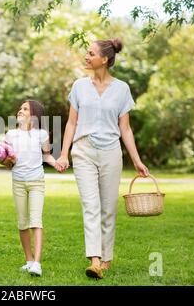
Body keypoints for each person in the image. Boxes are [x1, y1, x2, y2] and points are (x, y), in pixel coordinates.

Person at [56, 38, 149, 279]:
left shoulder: (122, 89)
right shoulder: (79, 86)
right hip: (83, 151)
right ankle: (94, 260)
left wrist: (137, 160)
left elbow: (125, 129)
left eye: (90, 53)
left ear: (104, 59)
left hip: (110, 152)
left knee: (108, 208)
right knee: (91, 205)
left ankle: (106, 258)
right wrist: (64, 153)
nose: (86, 57)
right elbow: (72, 123)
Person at [1, 100, 62, 277]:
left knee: (36, 221)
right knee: (22, 223)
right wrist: (6, 160)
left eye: (25, 109)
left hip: (36, 182)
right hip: (18, 182)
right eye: (20, 108)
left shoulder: (41, 134)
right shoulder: (11, 135)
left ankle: (37, 263)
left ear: (34, 116)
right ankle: (28, 261)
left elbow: (47, 155)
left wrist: (56, 164)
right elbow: (7, 162)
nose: (20, 111)